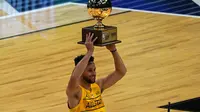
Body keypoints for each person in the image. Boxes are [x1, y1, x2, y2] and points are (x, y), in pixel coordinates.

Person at [66, 32, 127, 112]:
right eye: (90, 70)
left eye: (94, 70)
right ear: (81, 72)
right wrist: (89, 52)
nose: (94, 73)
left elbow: (121, 72)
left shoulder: (98, 86)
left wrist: (113, 50)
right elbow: (74, 76)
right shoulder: (75, 91)